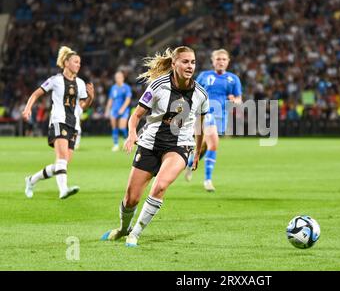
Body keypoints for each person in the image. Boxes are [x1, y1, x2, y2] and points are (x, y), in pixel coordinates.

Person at [101, 46, 209, 247]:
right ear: (174, 63)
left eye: (193, 62)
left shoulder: (201, 94)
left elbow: (200, 126)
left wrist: (197, 152)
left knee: (160, 186)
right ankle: (124, 229)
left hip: (180, 146)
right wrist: (132, 133)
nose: (190, 66)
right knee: (131, 198)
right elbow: (136, 116)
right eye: (185, 61)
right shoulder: (158, 86)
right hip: (150, 143)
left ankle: (137, 232)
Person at [22, 46, 95, 199]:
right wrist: (28, 108)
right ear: (66, 63)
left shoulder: (81, 83)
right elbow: (36, 93)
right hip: (58, 121)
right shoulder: (55, 81)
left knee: (62, 164)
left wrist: (90, 98)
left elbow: (81, 106)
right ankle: (63, 190)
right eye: (75, 62)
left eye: (79, 62)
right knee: (61, 158)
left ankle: (31, 180)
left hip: (74, 125)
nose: (78, 65)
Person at [184, 49, 242, 192]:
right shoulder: (204, 76)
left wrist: (235, 101)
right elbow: (193, 93)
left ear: (228, 61)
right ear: (213, 61)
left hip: (221, 116)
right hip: (204, 113)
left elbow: (239, 100)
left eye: (223, 59)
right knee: (214, 143)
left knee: (204, 146)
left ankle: (191, 163)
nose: (221, 62)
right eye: (218, 59)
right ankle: (208, 180)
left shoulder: (233, 79)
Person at [105, 70, 132, 152]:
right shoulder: (113, 88)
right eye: (116, 77)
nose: (118, 79)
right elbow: (110, 100)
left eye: (119, 77)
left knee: (122, 127)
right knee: (114, 127)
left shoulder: (126, 87)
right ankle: (116, 144)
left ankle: (125, 141)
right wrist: (107, 110)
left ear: (123, 78)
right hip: (114, 110)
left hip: (123, 110)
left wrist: (122, 109)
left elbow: (128, 99)